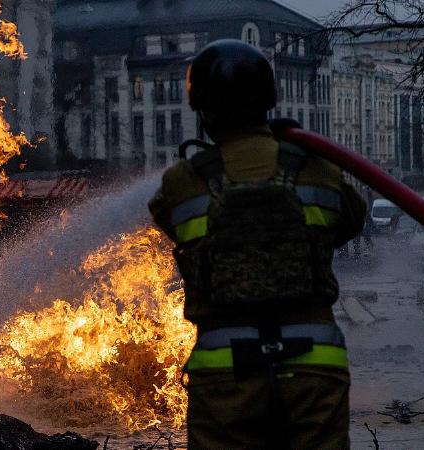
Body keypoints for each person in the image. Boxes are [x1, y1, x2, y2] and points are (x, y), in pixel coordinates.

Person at [148, 40, 366, 449]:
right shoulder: (318, 169)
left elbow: (169, 222)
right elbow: (351, 221)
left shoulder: (184, 183)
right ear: (270, 100)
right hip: (314, 369)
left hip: (226, 372)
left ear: (202, 110)